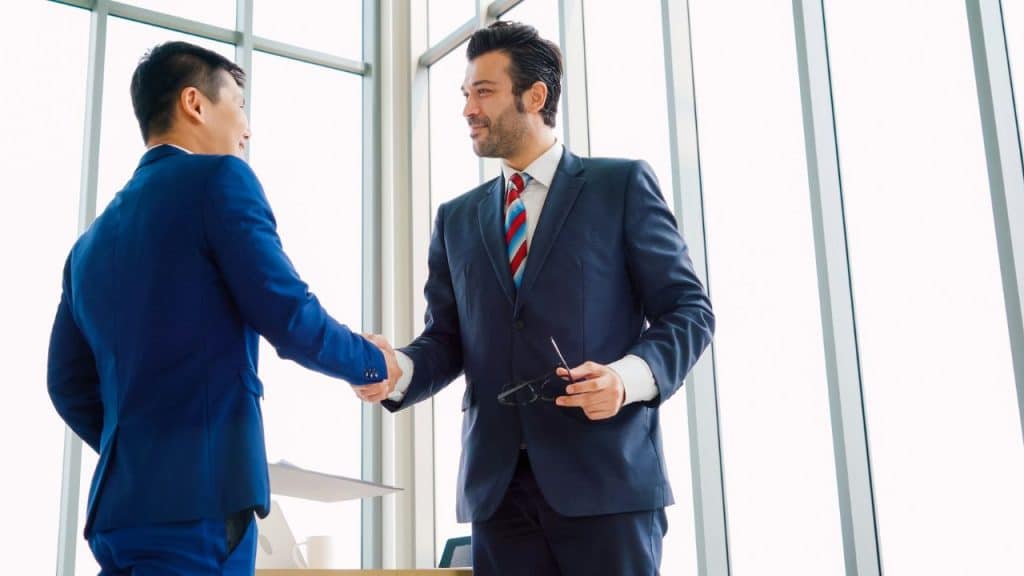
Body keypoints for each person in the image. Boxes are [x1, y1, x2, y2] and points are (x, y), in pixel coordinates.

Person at [365, 21, 715, 575]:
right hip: (497, 494)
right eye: (465, 94)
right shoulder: (456, 219)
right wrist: (399, 369)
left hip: (606, 484)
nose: (467, 109)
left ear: (536, 96)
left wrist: (627, 380)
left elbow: (689, 311)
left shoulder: (619, 187)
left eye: (483, 92)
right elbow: (448, 339)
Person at [47, 41, 401, 575]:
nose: (247, 127)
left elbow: (66, 384)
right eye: (238, 104)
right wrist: (375, 363)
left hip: (120, 516)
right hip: (199, 517)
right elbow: (287, 314)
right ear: (195, 103)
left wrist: (148, 451)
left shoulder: (89, 245)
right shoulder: (219, 180)